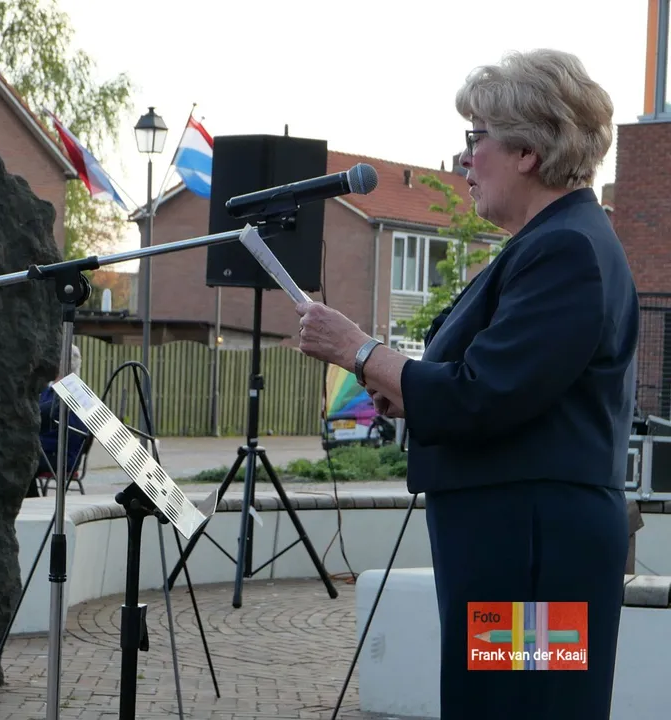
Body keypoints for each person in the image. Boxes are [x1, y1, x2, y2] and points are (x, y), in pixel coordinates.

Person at [294, 49, 631, 719]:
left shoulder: (565, 250)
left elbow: (482, 395)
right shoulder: (551, 243)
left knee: (518, 707)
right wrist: (403, 385)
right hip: (522, 542)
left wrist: (357, 350)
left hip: (533, 552)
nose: (464, 161)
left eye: (476, 140)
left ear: (528, 150)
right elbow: (491, 387)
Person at [27, 344, 89, 498]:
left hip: (60, 457)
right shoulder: (55, 391)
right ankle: (31, 502)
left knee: (18, 458)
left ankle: (31, 504)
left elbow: (72, 435)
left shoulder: (70, 394)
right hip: (51, 452)